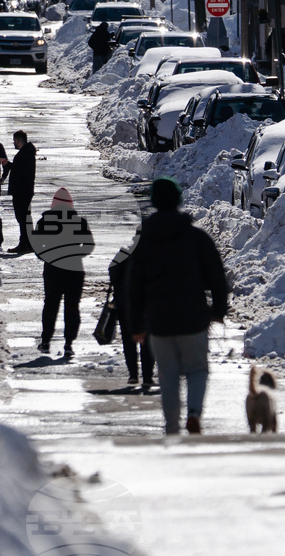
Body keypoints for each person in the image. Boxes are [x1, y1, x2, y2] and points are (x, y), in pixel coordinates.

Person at [127, 177, 228, 435]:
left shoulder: (145, 242)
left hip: (159, 321)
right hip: (193, 318)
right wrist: (218, 310)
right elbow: (217, 275)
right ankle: (193, 413)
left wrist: (137, 324)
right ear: (178, 199)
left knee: (168, 376)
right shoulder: (197, 238)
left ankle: (171, 426)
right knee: (196, 370)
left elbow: (134, 286)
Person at [29, 187, 95, 359]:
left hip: (52, 269)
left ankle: (45, 341)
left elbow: (36, 246)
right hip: (75, 269)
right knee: (72, 306)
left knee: (51, 304)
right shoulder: (79, 221)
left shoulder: (45, 221)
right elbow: (89, 245)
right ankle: (68, 343)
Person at [109, 243, 155, 389]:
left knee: (128, 340)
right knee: (148, 341)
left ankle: (133, 375)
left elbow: (112, 271)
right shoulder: (153, 254)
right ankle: (147, 376)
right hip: (148, 304)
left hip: (125, 304)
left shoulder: (124, 253)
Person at [6, 130, 37, 254]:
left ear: (18, 141)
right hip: (24, 190)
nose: (14, 143)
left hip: (22, 191)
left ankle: (24, 243)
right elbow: (18, 168)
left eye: (14, 141)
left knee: (22, 218)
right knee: (24, 218)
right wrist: (8, 165)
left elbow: (21, 173)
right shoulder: (26, 153)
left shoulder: (25, 154)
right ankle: (28, 243)